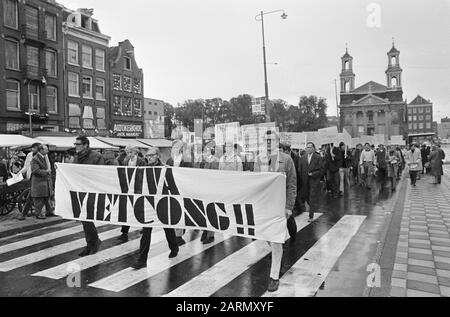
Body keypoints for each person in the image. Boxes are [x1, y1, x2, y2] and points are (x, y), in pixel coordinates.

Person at [254, 131, 297, 293]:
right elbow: (254, 182)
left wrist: (289, 207)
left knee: (276, 241)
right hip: (264, 205)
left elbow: (292, 184)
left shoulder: (287, 160)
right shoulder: (259, 159)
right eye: (266, 140)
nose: (268, 142)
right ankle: (277, 247)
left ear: (278, 141)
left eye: (271, 140)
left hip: (279, 207)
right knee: (266, 236)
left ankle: (274, 277)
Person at [131, 147, 179, 269]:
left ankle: (174, 247)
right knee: (146, 232)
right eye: (147, 156)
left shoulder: (165, 169)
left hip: (162, 203)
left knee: (167, 228)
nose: (149, 158)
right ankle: (142, 260)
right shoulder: (144, 170)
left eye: (151, 155)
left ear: (158, 156)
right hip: (148, 204)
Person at [73, 136, 104, 256]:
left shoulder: (96, 156)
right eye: (75, 144)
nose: (75, 146)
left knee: (87, 218)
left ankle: (92, 243)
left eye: (78, 144)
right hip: (80, 190)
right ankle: (92, 242)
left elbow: (100, 173)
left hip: (91, 191)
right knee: (84, 218)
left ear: (85, 145)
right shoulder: (77, 157)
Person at [118, 146, 147, 243]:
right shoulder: (126, 160)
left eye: (130, 152)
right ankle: (124, 232)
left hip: (139, 188)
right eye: (127, 152)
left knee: (141, 209)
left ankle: (145, 227)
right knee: (127, 210)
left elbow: (145, 173)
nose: (128, 154)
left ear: (135, 152)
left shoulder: (141, 161)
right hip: (128, 188)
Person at [167, 140, 192, 246]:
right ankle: (174, 233)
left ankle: (179, 235)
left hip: (183, 188)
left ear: (181, 149)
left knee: (181, 211)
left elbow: (190, 173)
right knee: (173, 212)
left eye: (177, 147)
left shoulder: (186, 160)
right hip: (171, 188)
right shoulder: (169, 160)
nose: (175, 149)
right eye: (173, 147)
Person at [298, 142, 324, 222]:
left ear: (313, 148)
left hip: (314, 181)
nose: (308, 149)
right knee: (307, 197)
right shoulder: (302, 157)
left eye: (310, 147)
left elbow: (321, 170)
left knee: (312, 197)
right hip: (305, 181)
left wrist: (313, 174)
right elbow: (300, 169)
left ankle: (311, 215)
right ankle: (311, 207)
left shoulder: (318, 157)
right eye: (307, 147)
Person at [17, 143, 41, 221]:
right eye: (32, 148)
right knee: (33, 195)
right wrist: (19, 173)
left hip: (39, 178)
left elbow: (47, 167)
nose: (32, 149)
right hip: (30, 178)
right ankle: (46, 211)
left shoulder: (43, 155)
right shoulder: (29, 155)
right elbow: (26, 167)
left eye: (34, 148)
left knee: (32, 196)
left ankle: (24, 214)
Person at [30, 145, 53, 220]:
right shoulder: (35, 159)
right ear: (41, 150)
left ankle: (49, 212)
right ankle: (38, 214)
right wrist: (46, 171)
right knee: (39, 199)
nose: (48, 151)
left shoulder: (44, 157)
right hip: (39, 182)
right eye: (46, 149)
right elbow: (35, 171)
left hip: (44, 181)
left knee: (47, 197)